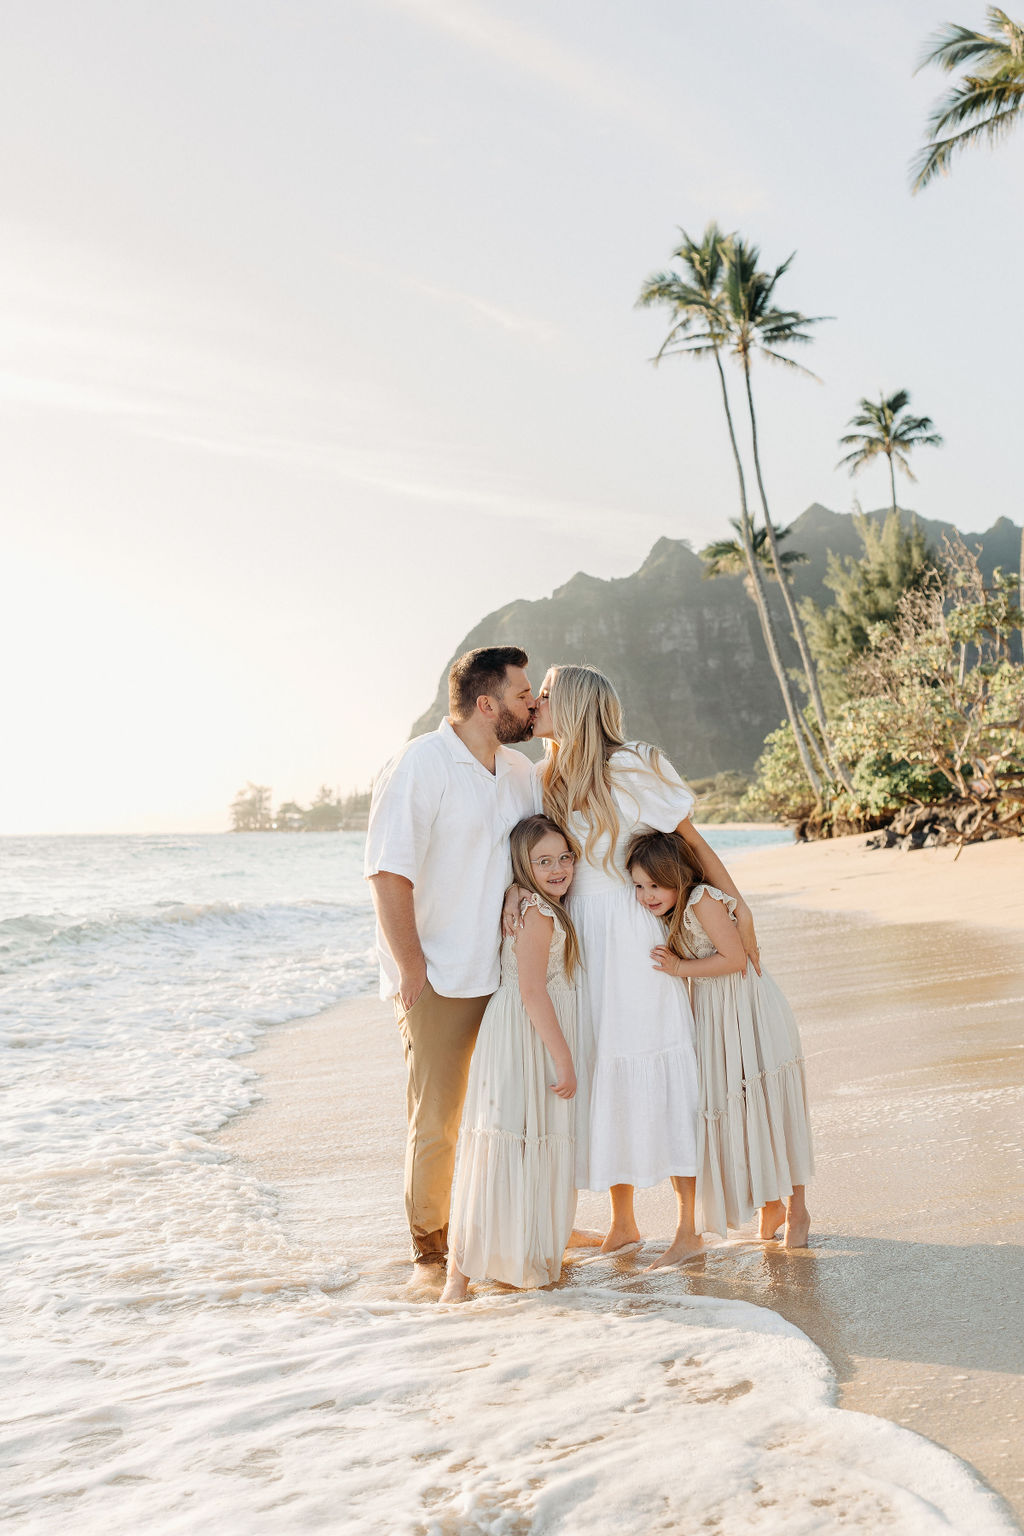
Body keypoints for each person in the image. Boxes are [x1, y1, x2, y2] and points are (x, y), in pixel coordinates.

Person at [528, 663, 759, 1268]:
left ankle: (688, 1227)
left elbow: (693, 844)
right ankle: (623, 1222)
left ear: (576, 704)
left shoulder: (633, 764)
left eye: (546, 695)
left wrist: (741, 911)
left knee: (660, 1058)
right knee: (603, 1066)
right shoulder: (549, 777)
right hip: (583, 941)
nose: (535, 703)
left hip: (635, 938)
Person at [364, 646, 539, 1267]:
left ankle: (494, 1226)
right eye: (523, 695)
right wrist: (412, 968)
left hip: (508, 973)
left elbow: (533, 853)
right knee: (437, 1118)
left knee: (506, 1108)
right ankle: (431, 1250)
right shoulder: (421, 764)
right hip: (439, 974)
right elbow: (388, 872)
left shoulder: (520, 772)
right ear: (486, 704)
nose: (533, 703)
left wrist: (522, 886)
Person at [627, 828, 813, 1249]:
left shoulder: (701, 899)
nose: (647, 895)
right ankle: (771, 1202)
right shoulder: (667, 912)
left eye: (655, 884)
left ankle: (798, 1207)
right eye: (638, 886)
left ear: (677, 875)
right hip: (717, 1016)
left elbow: (734, 959)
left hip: (749, 1010)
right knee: (746, 1110)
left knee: (772, 1108)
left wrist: (678, 969)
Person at [441, 815, 581, 1303]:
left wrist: (513, 892)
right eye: (543, 861)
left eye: (564, 857)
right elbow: (531, 990)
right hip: (527, 1035)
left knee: (509, 1142)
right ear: (524, 866)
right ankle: (461, 1273)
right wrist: (563, 1058)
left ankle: (499, 1261)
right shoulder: (539, 913)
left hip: (521, 1031)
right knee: (509, 1143)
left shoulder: (535, 905)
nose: (558, 867)